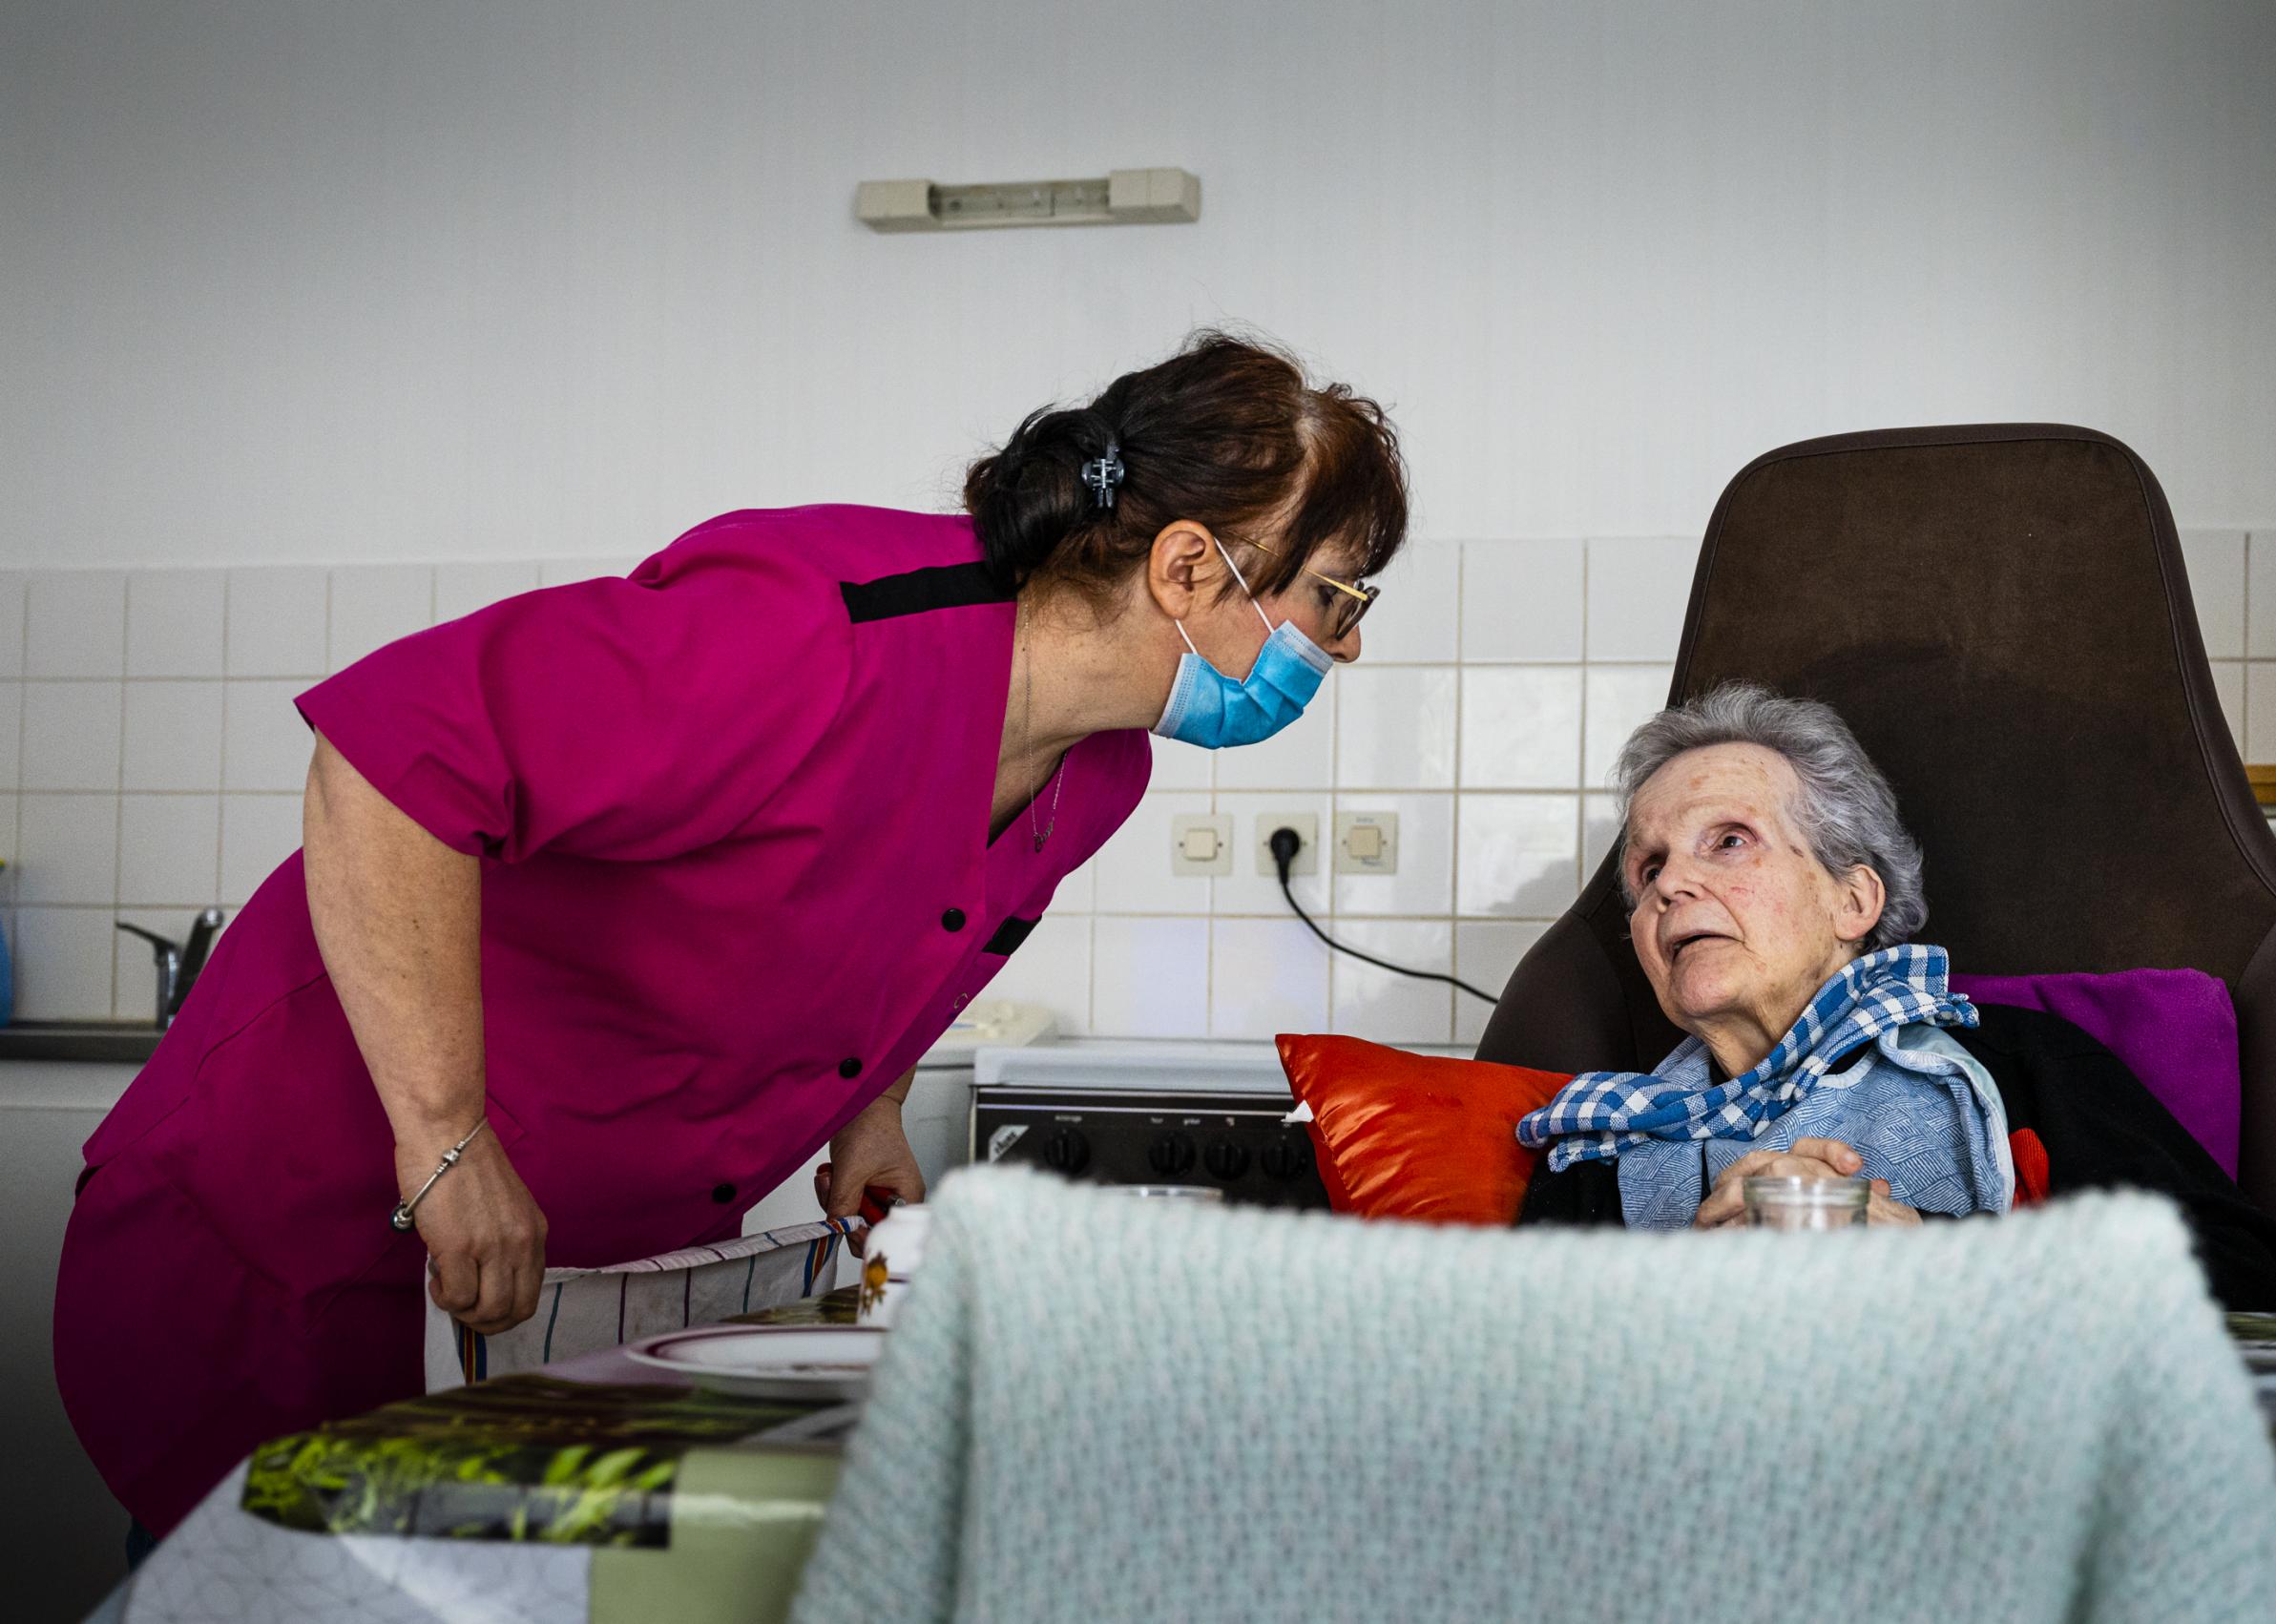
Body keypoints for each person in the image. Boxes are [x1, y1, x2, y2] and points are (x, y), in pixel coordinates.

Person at [55, 331, 1409, 1542]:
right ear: (1188, 564)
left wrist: (865, 1114)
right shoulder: (817, 628)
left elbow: (923, 916)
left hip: (544, 1301)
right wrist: (446, 1134)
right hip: (302, 1215)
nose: (1340, 649)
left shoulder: (1100, 771)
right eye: (1335, 600)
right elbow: (385, 763)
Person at [1514, 681, 2276, 1310]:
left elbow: (2248, 1279)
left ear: (1852, 901)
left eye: (1728, 841)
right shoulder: (1601, 1147)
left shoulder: (2019, 1062)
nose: (1671, 884)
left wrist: (1929, 1255)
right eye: (1648, 869)